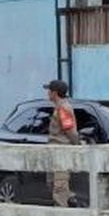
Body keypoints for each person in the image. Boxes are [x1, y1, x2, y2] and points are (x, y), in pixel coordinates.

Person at [44, 79, 80, 207]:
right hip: (55, 152)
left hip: (61, 152)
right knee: (53, 184)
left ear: (55, 93)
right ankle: (72, 204)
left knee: (60, 188)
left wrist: (78, 145)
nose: (47, 93)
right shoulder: (59, 107)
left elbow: (69, 130)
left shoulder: (63, 108)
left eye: (49, 90)